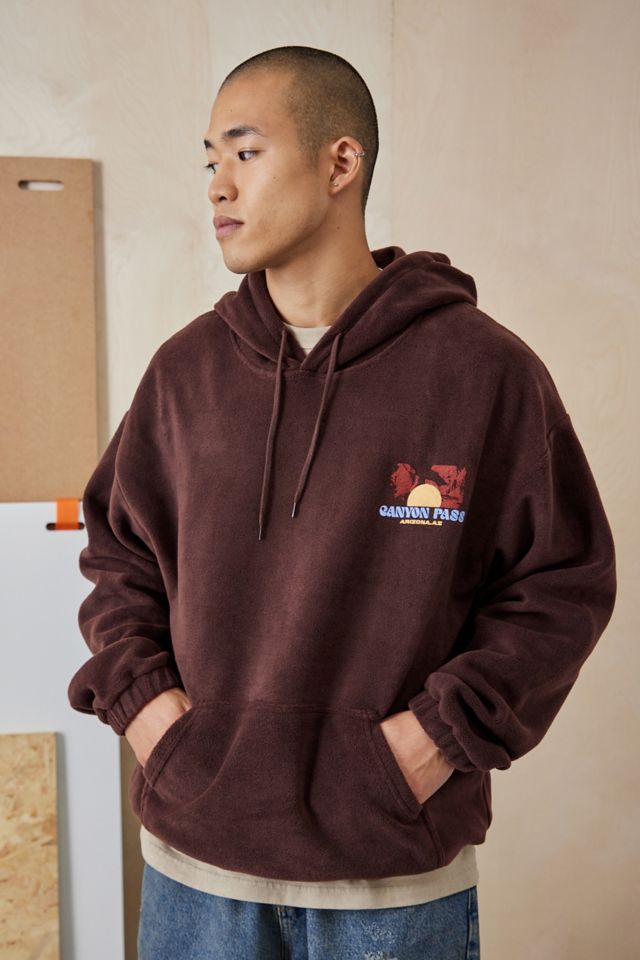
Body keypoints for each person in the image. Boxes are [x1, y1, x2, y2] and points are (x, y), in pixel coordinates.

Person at [67, 44, 616, 960]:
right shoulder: (186, 374)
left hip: (392, 887)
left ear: (340, 162)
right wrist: (154, 719)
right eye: (210, 160)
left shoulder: (483, 373)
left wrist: (432, 741)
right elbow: (118, 556)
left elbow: (561, 585)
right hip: (195, 878)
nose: (218, 186)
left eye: (246, 152)